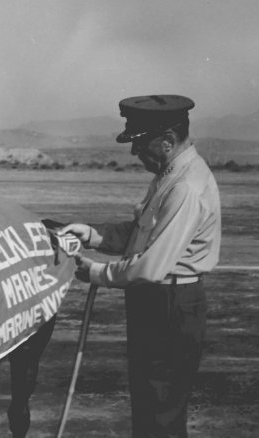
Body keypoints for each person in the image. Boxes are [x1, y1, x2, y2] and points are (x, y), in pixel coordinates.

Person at [60, 95, 221, 438]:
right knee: (150, 406)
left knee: (161, 411)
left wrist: (98, 273)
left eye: (140, 144)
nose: (135, 154)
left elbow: (150, 265)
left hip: (170, 305)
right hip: (157, 302)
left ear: (166, 142)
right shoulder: (170, 174)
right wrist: (94, 235)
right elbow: (142, 233)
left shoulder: (185, 186)